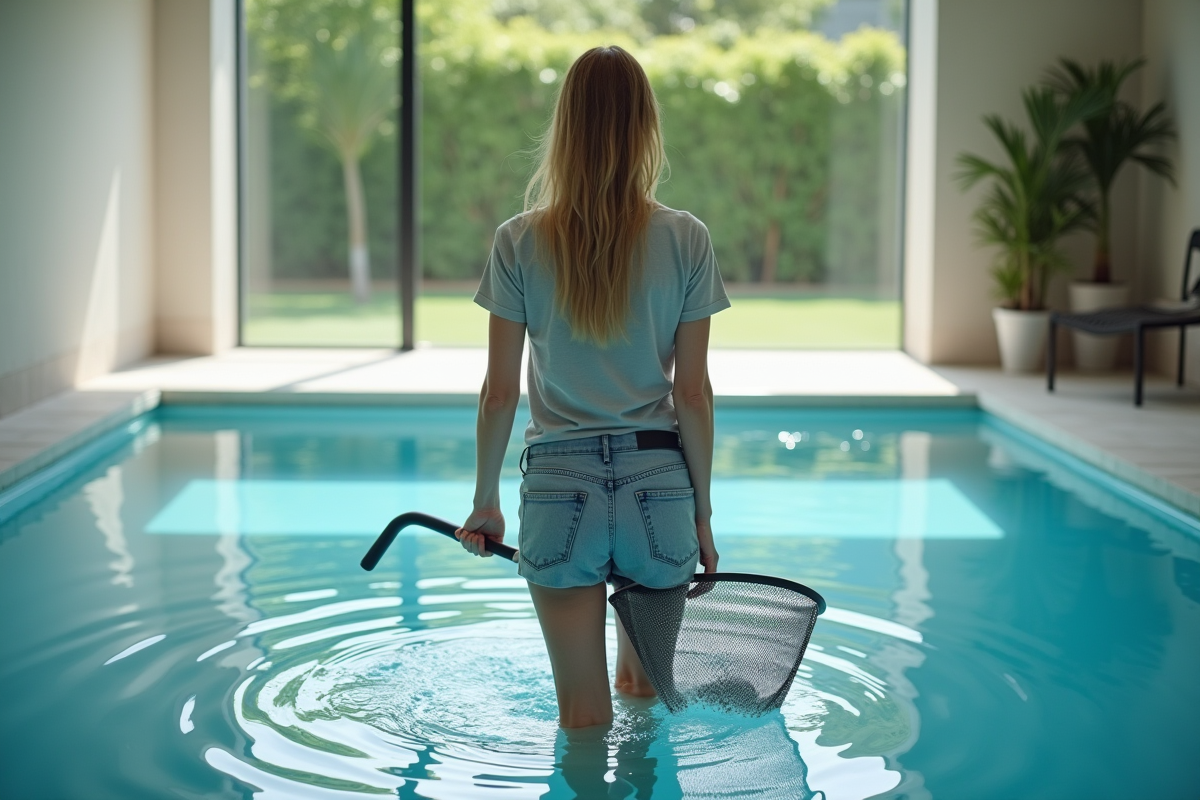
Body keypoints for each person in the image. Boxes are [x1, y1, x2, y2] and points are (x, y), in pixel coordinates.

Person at [455, 45, 730, 729]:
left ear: (564, 127)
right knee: (645, 693)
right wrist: (701, 513)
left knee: (582, 714)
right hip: (658, 484)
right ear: (646, 128)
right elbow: (692, 395)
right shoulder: (686, 238)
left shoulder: (518, 241)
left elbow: (499, 392)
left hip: (557, 485)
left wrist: (486, 500)